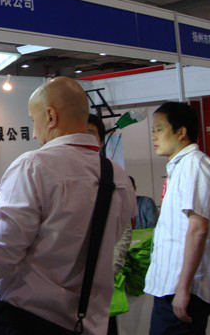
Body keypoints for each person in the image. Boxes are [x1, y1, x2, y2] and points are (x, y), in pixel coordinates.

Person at [0, 77, 136, 334]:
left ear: (50, 116)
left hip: (28, 323)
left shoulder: (33, 167)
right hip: (89, 324)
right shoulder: (118, 177)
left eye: (33, 120)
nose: (35, 134)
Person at [144, 102, 210, 335]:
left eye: (159, 129)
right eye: (152, 130)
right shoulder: (181, 167)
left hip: (182, 289)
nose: (153, 136)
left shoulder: (193, 166)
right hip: (173, 286)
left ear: (181, 132)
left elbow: (198, 229)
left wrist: (182, 289)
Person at [87, 114, 133, 335]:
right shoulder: (58, 173)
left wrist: (108, 270)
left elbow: (123, 228)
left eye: (90, 135)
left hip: (100, 283)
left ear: (101, 141)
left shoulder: (114, 174)